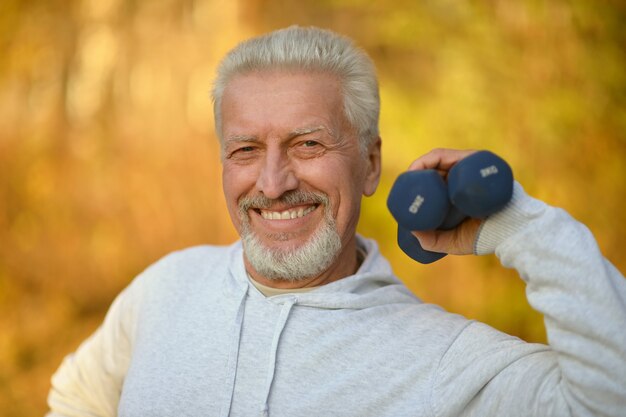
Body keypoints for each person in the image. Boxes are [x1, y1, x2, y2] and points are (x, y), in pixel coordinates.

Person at [47, 26, 626, 417]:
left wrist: (521, 228)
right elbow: (77, 396)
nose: (272, 184)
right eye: (245, 150)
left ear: (370, 162)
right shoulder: (165, 287)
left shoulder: (444, 363)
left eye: (307, 143)